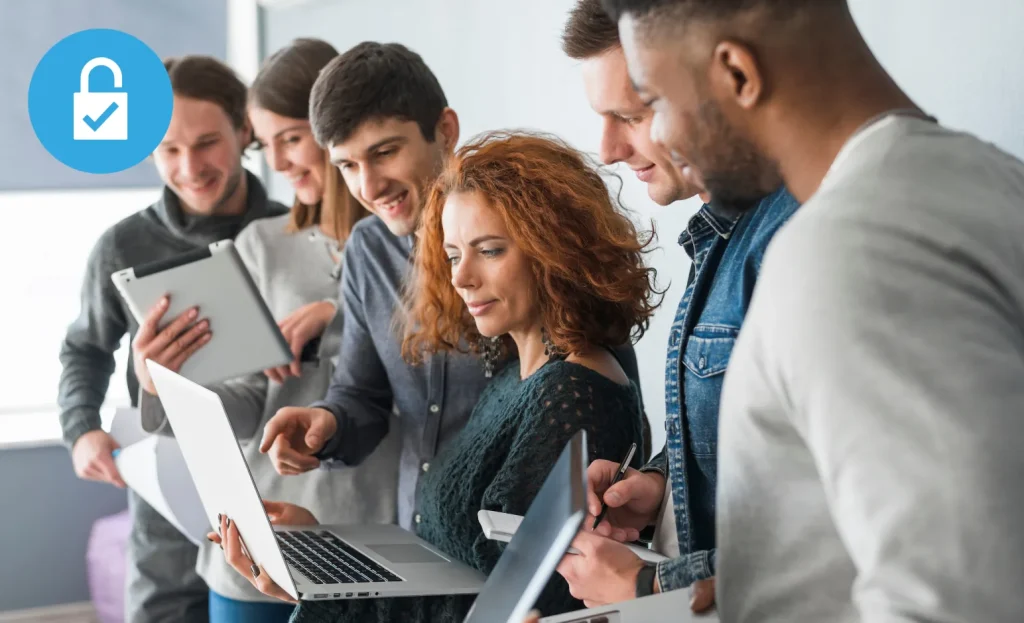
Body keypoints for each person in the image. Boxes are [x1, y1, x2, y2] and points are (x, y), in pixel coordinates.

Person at [605, 1, 1024, 622]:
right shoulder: (992, 178)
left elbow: (953, 604)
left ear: (738, 74)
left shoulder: (851, 251)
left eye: (652, 103)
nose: (656, 137)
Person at [213, 131, 654, 623]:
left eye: (488, 250)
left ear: (555, 248)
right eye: (452, 255)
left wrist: (330, 589)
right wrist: (322, 555)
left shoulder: (570, 395)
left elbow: (499, 609)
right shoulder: (517, 374)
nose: (460, 277)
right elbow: (456, 571)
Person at [254, 42, 642, 533]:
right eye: (348, 167)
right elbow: (360, 391)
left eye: (385, 153)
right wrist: (326, 425)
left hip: (511, 552)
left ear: (444, 131)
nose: (368, 188)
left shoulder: (534, 238)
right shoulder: (368, 250)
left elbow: (597, 404)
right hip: (420, 531)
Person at [130, 39, 402, 623]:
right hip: (261, 539)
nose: (277, 164)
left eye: (290, 138)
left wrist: (341, 310)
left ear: (335, 125)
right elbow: (253, 402)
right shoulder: (260, 245)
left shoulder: (414, 247)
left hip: (384, 535)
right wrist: (162, 384)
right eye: (266, 144)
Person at [552, 0, 799, 613]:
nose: (607, 148)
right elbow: (744, 440)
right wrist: (661, 482)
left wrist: (648, 585)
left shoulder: (797, 241)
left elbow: (821, 528)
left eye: (631, 115)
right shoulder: (720, 232)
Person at [57, 56, 288, 622]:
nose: (191, 167)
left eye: (207, 142)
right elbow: (84, 349)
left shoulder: (293, 233)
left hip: (274, 482)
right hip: (168, 484)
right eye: (169, 150)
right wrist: (81, 429)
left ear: (243, 131)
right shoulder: (122, 246)